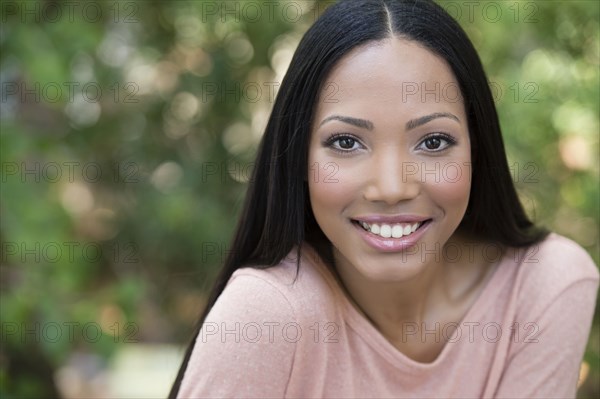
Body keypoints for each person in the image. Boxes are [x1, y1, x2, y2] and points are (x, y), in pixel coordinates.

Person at [170, 0, 599, 397]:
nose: (392, 188)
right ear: (297, 156)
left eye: (432, 141)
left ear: (478, 147)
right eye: (345, 142)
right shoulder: (264, 317)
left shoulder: (545, 285)